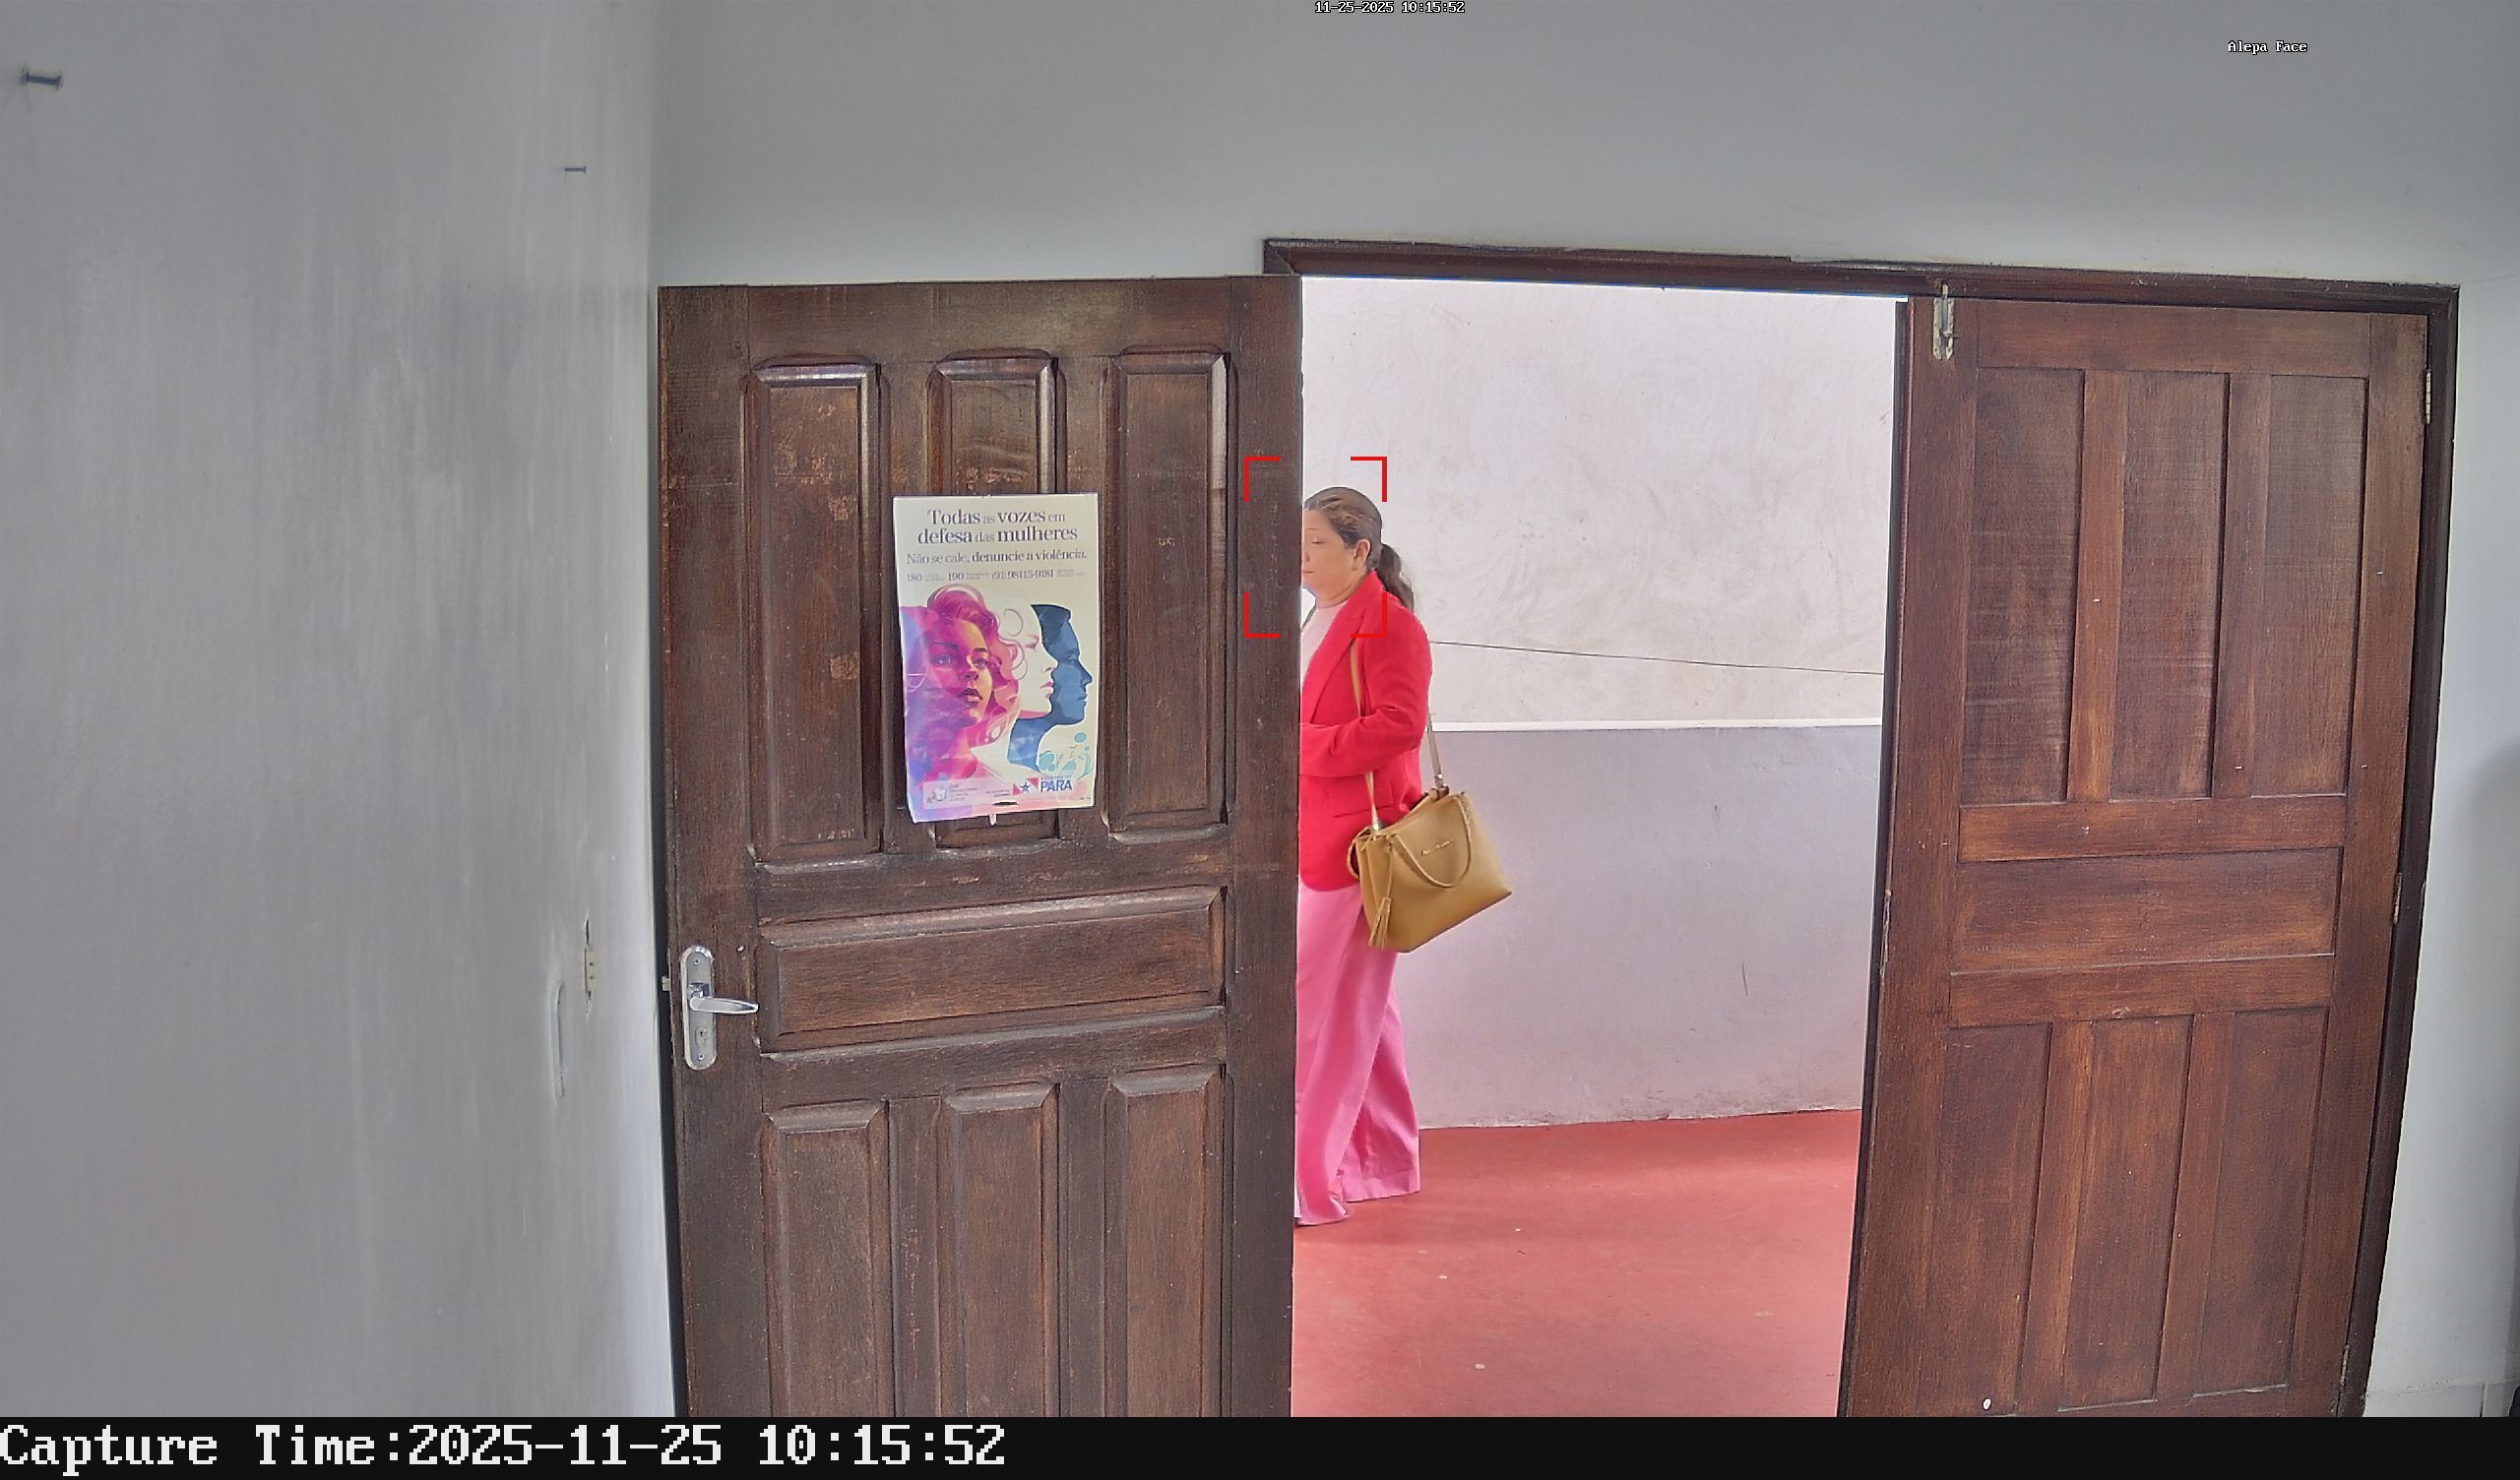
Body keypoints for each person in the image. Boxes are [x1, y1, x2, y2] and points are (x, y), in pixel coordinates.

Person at [1293, 485, 1431, 1226]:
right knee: (1360, 1006)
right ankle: (1377, 1162)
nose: (1301, 556)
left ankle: (1305, 1180)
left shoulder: (1389, 625)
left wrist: (1301, 749)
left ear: (1359, 552)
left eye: (1316, 543)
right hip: (1314, 832)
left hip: (1356, 846)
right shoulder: (1315, 616)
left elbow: (1400, 726)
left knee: (1316, 1009)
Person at [900, 586, 1020, 813]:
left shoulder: (1001, 792)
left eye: (981, 661)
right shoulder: (881, 772)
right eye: (945, 659)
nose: (971, 671)